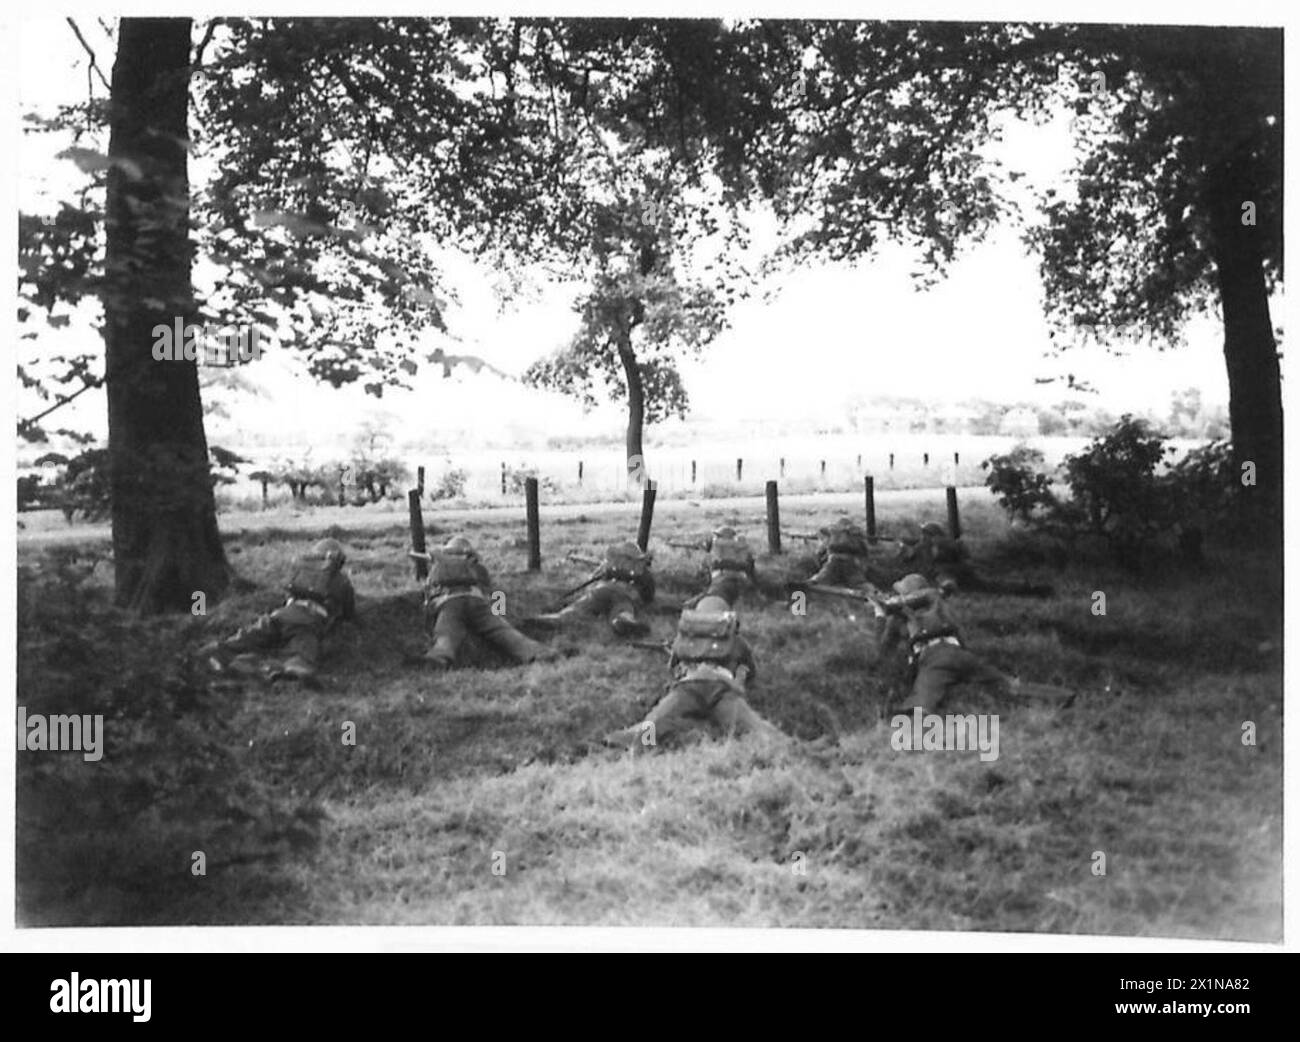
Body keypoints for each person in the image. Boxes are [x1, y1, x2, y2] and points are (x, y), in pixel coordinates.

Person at [604, 596, 781, 752]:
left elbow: (672, 667)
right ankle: (781, 745)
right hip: (723, 689)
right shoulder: (736, 640)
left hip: (689, 686)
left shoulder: (686, 637)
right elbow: (751, 671)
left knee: (657, 719)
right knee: (750, 725)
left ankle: (630, 741)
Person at [202, 537, 357, 683]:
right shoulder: (341, 581)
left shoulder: (303, 570)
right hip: (307, 621)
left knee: (251, 636)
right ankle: (283, 671)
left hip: (281, 614)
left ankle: (217, 651)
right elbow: (349, 611)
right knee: (301, 655)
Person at [873, 572, 1035, 712]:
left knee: (919, 709)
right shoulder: (939, 606)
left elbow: (882, 651)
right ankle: (1055, 698)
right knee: (1011, 686)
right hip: (960, 654)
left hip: (934, 660)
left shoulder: (930, 599)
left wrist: (881, 614)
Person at [422, 535, 559, 668]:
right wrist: (500, 614)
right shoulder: (478, 568)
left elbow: (428, 594)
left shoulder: (438, 566)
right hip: (478, 601)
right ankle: (540, 653)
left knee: (446, 634)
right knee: (505, 632)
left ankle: (438, 658)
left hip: (449, 602)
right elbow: (494, 593)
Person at [532, 541, 655, 637]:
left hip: (604, 591)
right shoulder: (641, 573)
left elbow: (592, 580)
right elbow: (648, 595)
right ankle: (623, 620)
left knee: (582, 606)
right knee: (620, 609)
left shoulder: (610, 566)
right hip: (621, 594)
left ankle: (559, 618)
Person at [897, 521, 1053, 597]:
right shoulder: (948, 543)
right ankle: (1028, 589)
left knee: (985, 587)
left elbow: (907, 559)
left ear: (928, 535)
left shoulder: (931, 546)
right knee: (991, 586)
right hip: (964, 572)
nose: (923, 537)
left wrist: (904, 548)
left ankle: (946, 588)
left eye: (924, 534)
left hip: (948, 574)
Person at [680, 525, 758, 608]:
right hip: (737, 579)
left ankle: (687, 606)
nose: (715, 538)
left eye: (717, 536)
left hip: (724, 578)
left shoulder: (721, 544)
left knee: (710, 595)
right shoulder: (741, 546)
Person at [806, 516, 891, 589]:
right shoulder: (855, 537)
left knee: (821, 578)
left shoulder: (833, 536)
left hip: (834, 561)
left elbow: (820, 553)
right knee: (859, 582)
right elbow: (864, 554)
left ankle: (809, 584)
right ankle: (876, 593)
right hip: (850, 563)